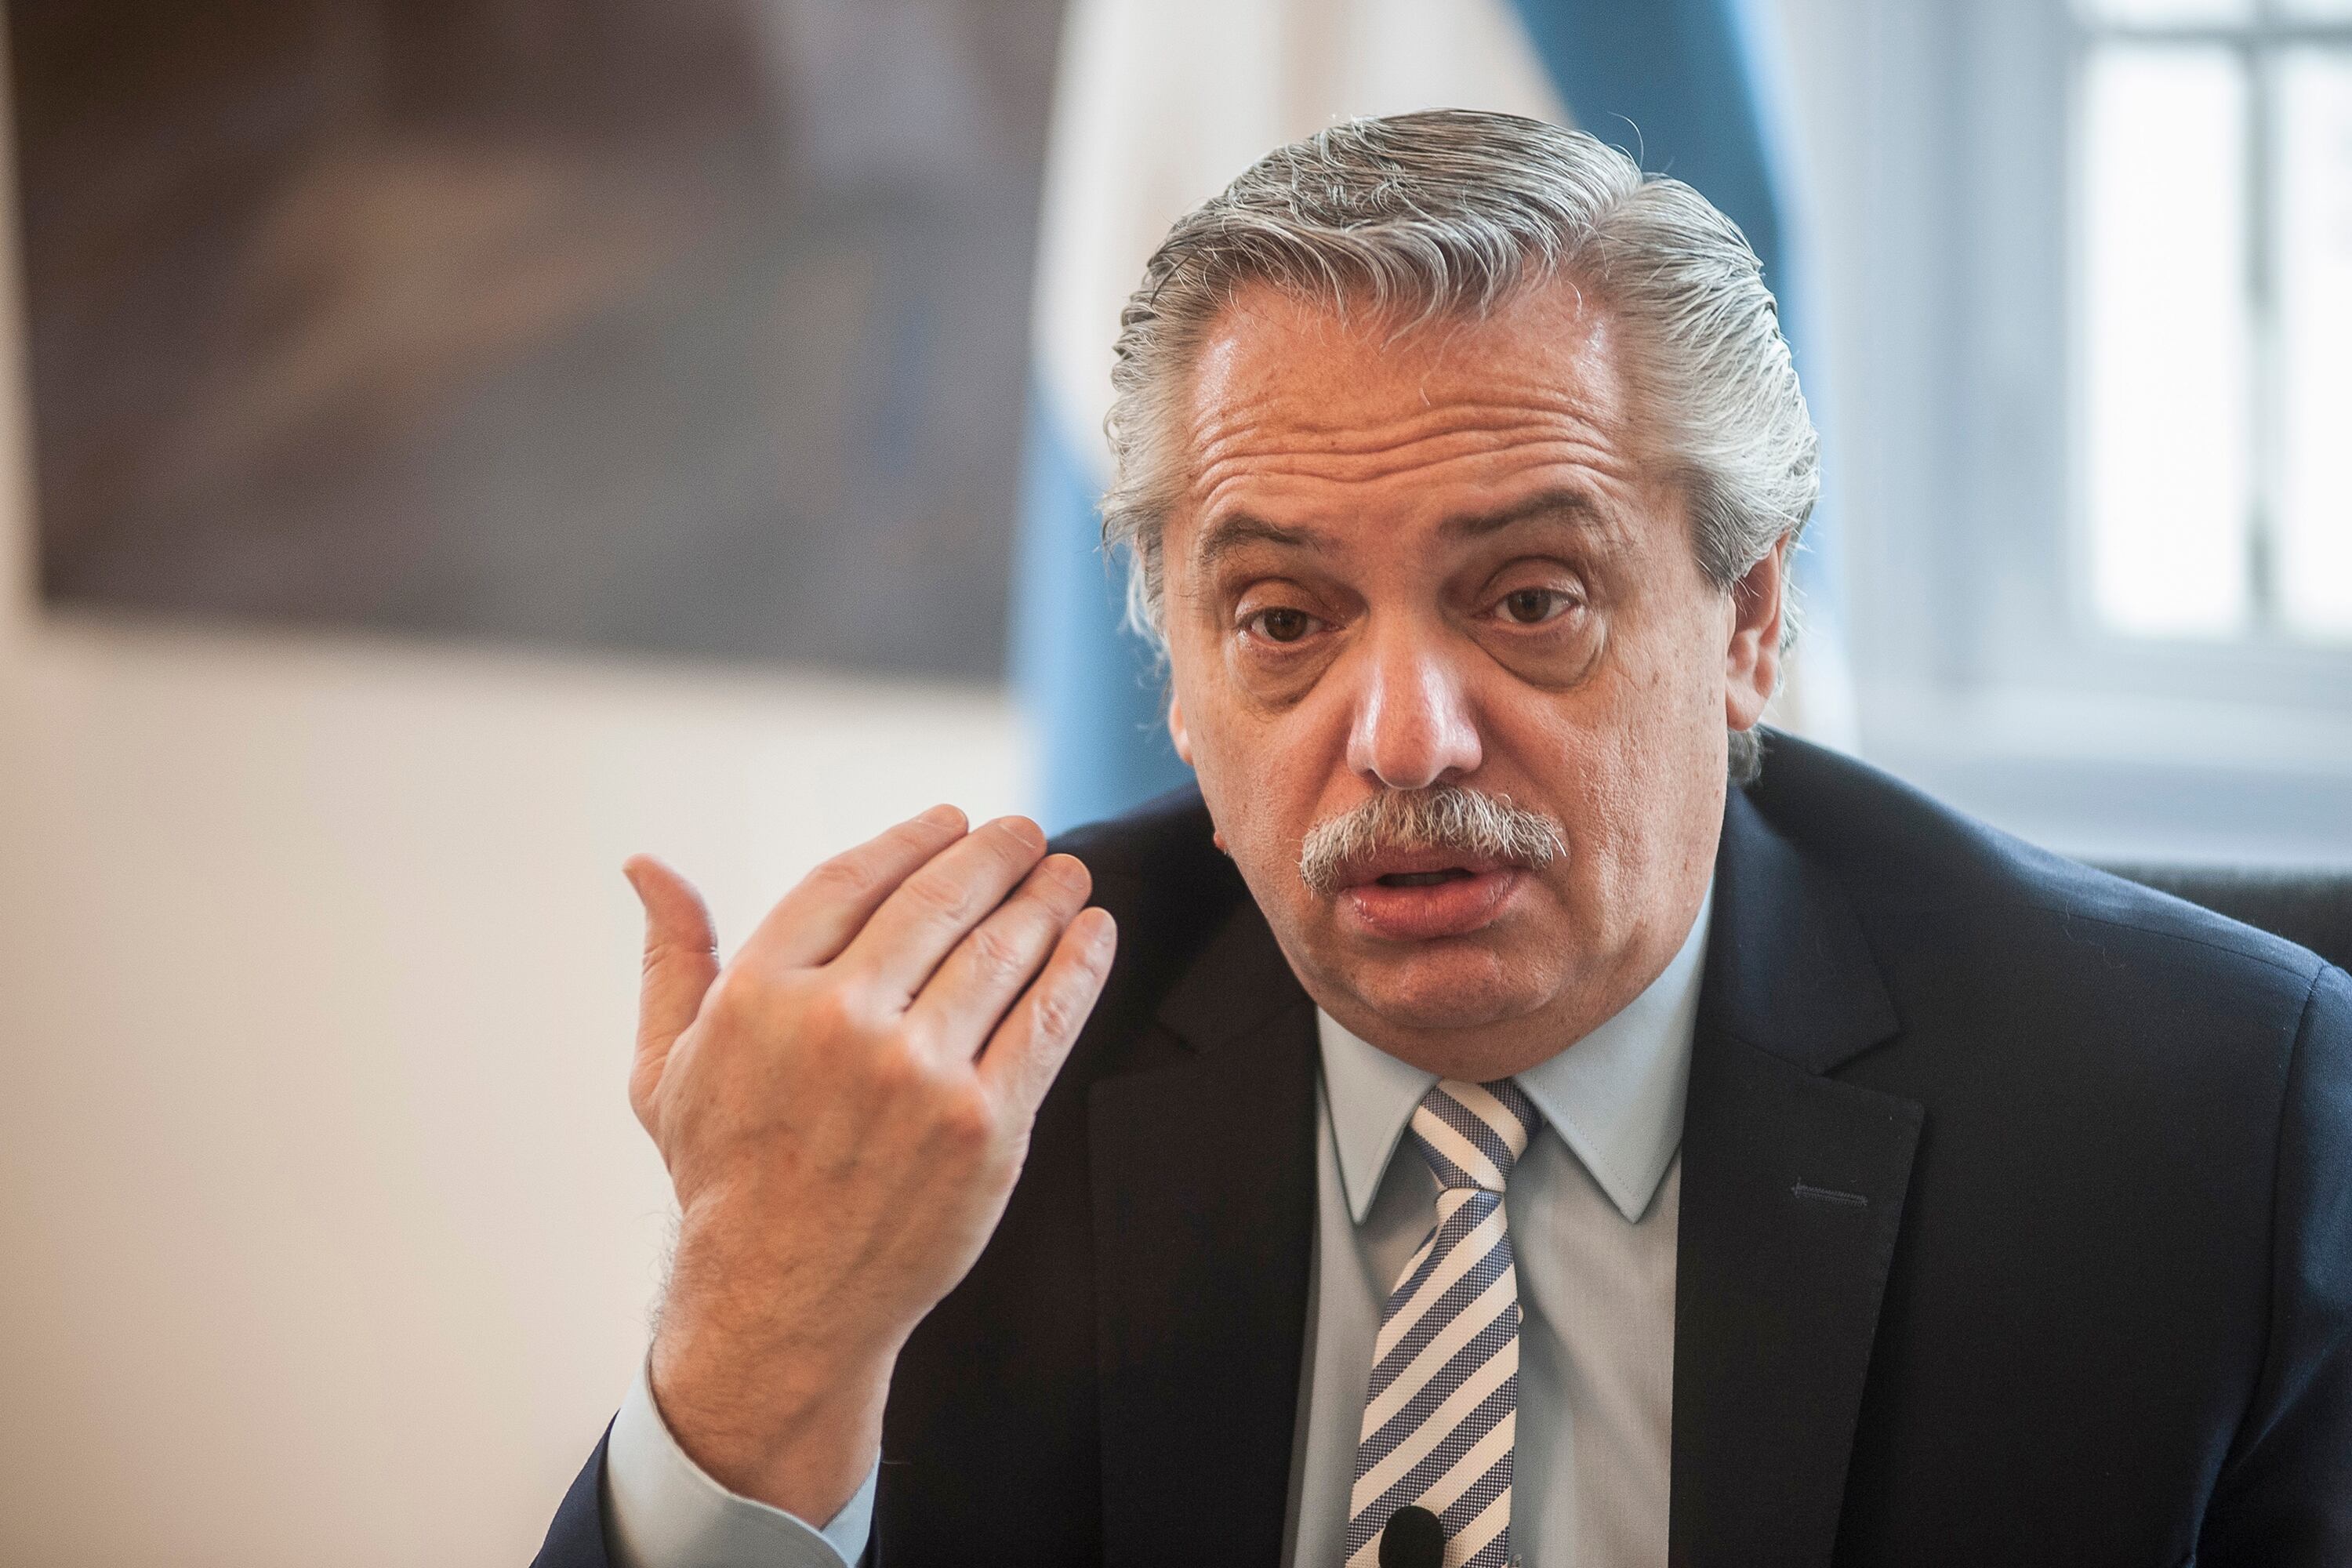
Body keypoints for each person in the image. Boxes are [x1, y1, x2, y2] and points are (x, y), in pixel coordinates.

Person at [534, 111, 2351, 1567]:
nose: (1404, 737)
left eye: (1531, 596)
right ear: (1179, 675)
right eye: (1282, 619)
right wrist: (758, 1348)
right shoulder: (958, 1104)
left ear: (1746, 623)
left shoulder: (2205, 1126)